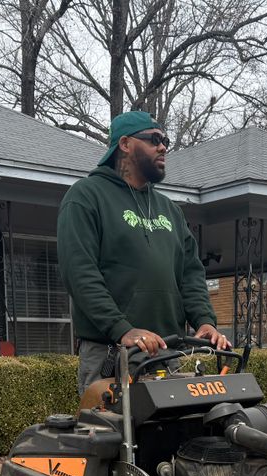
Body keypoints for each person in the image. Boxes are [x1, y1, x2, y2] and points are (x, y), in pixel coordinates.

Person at [58, 109, 230, 394]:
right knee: (112, 436)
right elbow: (80, 273)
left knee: (178, 436)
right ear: (125, 145)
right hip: (111, 352)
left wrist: (204, 321)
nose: (162, 146)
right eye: (153, 139)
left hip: (168, 351)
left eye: (165, 140)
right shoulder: (86, 197)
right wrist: (122, 329)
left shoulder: (169, 210)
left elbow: (190, 274)